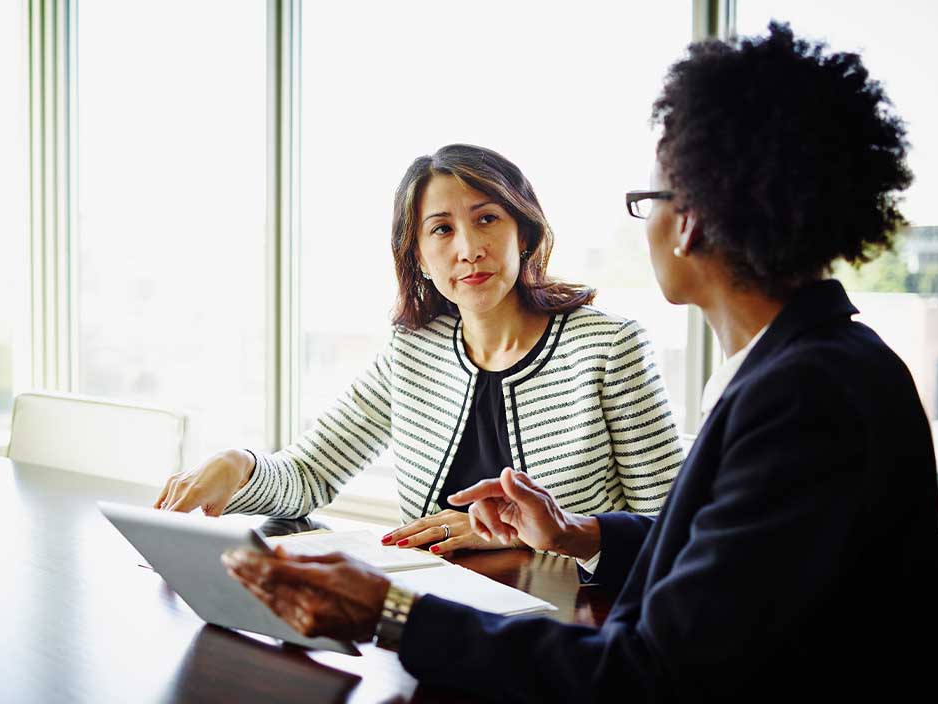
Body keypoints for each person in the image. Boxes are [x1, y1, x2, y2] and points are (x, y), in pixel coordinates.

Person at [224, 22, 938, 701]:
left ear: (692, 219)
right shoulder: (805, 368)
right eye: (440, 230)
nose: (467, 246)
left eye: (651, 198)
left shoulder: (805, 396)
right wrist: (576, 533)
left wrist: (390, 615)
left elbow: (652, 674)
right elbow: (707, 556)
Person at [157, 143, 683, 553]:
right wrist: (237, 465)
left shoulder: (609, 348)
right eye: (441, 229)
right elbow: (310, 474)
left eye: (487, 219)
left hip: (577, 628)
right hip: (435, 617)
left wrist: (515, 533)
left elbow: (673, 529)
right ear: (418, 256)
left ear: (524, 231)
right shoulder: (413, 351)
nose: (468, 249)